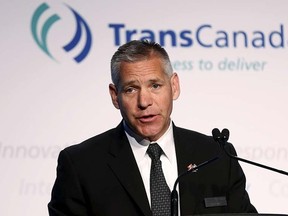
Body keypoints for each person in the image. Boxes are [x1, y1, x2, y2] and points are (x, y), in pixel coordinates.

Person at [48, 40, 257, 216]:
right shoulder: (81, 165)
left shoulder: (217, 156)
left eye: (155, 86)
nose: (144, 101)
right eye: (131, 89)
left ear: (174, 86)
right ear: (115, 96)